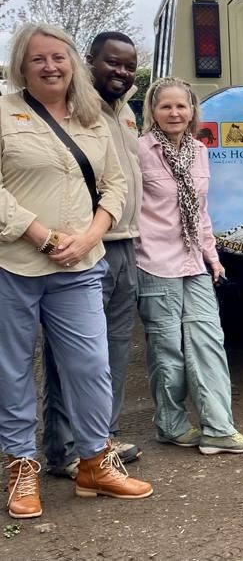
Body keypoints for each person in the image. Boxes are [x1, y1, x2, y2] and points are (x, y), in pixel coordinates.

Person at [1, 23, 152, 520]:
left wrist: (90, 236)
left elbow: (114, 185)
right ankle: (23, 465)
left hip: (81, 263)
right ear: (22, 64)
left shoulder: (92, 118)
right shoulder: (3, 112)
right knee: (14, 369)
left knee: (91, 366)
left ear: (71, 64)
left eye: (58, 57)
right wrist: (41, 235)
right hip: (15, 264)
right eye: (38, 58)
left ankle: (93, 462)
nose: (50, 66)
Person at [136, 78, 243, 453]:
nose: (175, 113)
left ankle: (218, 429)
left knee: (209, 342)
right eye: (166, 107)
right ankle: (170, 424)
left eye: (182, 106)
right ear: (152, 112)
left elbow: (201, 212)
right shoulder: (139, 151)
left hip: (194, 260)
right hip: (155, 262)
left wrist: (212, 256)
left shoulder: (199, 151)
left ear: (192, 111)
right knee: (167, 351)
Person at [43, 31, 143, 479]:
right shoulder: (71, 108)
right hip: (85, 248)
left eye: (128, 65)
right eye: (112, 63)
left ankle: (103, 438)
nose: (121, 72)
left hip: (127, 245)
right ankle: (65, 448)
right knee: (74, 353)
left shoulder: (125, 113)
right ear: (90, 61)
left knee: (114, 350)